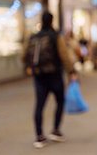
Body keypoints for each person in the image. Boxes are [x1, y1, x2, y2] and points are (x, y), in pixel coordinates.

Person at [23, 11, 77, 148]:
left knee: (39, 105)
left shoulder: (33, 37)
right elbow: (64, 55)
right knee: (60, 101)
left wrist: (29, 67)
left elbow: (24, 55)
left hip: (39, 76)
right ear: (52, 20)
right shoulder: (55, 36)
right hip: (54, 75)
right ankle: (56, 130)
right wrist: (71, 71)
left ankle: (39, 136)